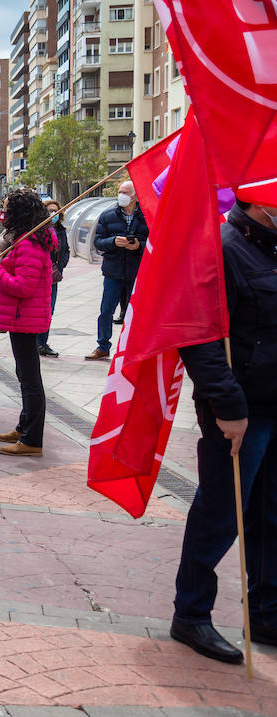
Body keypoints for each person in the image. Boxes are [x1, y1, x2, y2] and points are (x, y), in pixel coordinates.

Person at [169, 195, 277, 665]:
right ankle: (191, 613)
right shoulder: (222, 247)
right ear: (260, 201)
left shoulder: (270, 246)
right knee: (220, 513)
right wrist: (229, 407)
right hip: (240, 413)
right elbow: (197, 336)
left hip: (275, 406)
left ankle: (266, 612)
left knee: (271, 516)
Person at [0, 190, 54, 457]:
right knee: (24, 375)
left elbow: (24, 287)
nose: (2, 213)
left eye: (7, 208)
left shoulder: (30, 243)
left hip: (26, 317)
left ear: (19, 213)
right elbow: (9, 270)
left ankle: (32, 440)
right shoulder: (21, 240)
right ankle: (24, 426)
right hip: (20, 317)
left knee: (30, 380)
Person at [85, 181, 148, 361]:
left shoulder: (146, 215)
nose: (121, 194)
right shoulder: (107, 215)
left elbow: (155, 241)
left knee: (134, 313)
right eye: (120, 191)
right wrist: (113, 241)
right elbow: (98, 242)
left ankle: (131, 348)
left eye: (125, 192)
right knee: (106, 310)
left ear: (134, 195)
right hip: (113, 271)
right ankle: (103, 346)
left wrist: (139, 246)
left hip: (136, 272)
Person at [39, 200, 70, 358]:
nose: (53, 214)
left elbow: (66, 250)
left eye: (56, 211)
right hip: (39, 277)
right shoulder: (39, 230)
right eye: (50, 211)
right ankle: (37, 342)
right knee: (39, 311)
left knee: (48, 312)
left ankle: (42, 343)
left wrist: (60, 265)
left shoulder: (61, 231)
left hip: (54, 278)